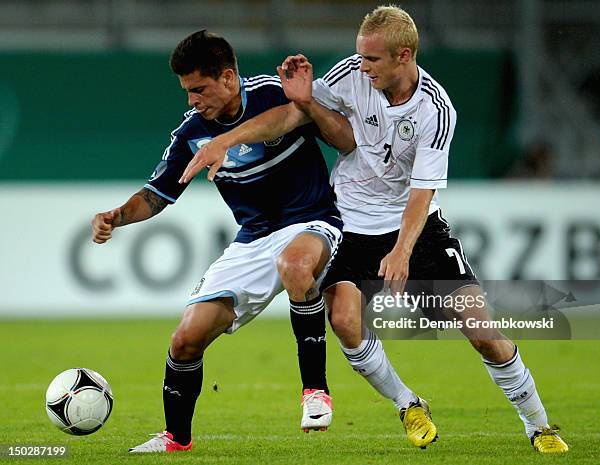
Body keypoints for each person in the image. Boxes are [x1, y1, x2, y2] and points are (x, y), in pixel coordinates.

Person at [179, 6, 569, 454]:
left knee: (481, 330)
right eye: (360, 57)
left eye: (372, 60)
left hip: (414, 227)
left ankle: (538, 425)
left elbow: (421, 194)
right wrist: (228, 139)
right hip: (347, 222)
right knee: (344, 319)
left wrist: (402, 251)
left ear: (403, 56)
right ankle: (407, 404)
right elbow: (292, 117)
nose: (362, 67)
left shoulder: (436, 110)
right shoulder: (350, 75)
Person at [91, 30, 357, 452]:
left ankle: (315, 392)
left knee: (294, 264)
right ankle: (177, 438)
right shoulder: (191, 132)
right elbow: (156, 196)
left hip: (313, 220)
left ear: (229, 78)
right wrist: (116, 217)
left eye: (199, 89)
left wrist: (237, 136)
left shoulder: (274, 93)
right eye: (186, 91)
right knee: (184, 339)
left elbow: (329, 131)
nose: (192, 100)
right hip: (251, 240)